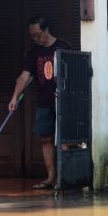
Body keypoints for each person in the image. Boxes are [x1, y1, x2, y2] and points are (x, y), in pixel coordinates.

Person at [9, 16, 72, 190]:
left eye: (37, 34)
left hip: (64, 102)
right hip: (44, 101)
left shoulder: (63, 47)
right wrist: (15, 96)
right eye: (32, 36)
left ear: (46, 30)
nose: (35, 38)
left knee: (64, 140)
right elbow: (24, 76)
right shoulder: (34, 53)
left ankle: (65, 178)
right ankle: (51, 178)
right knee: (46, 138)